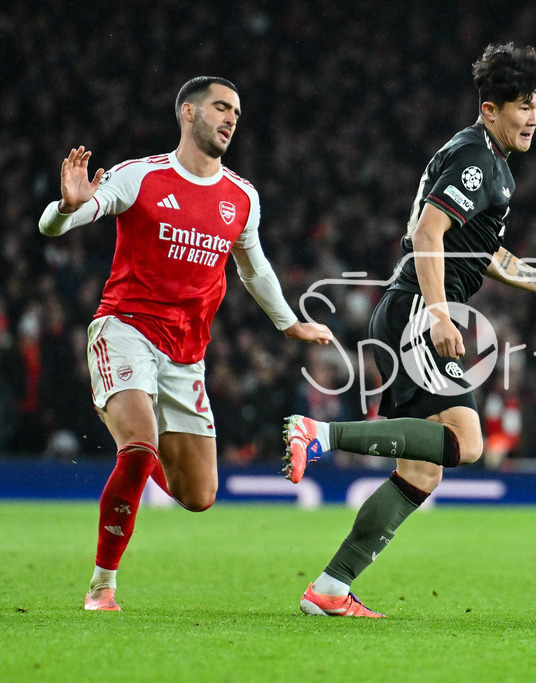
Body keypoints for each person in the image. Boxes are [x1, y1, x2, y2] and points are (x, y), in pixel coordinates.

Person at [283, 43, 536, 617]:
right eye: (522, 106)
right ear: (490, 109)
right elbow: (428, 233)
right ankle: (320, 435)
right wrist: (439, 313)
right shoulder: (476, 160)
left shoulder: (491, 163)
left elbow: (488, 255)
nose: (534, 117)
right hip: (418, 306)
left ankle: (330, 589)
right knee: (467, 442)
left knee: (421, 471)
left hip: (410, 306)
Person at [38, 77, 333, 612]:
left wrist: (290, 324)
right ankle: (102, 585)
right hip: (125, 329)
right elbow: (54, 226)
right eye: (221, 107)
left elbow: (254, 268)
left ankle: (140, 440)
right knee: (138, 448)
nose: (231, 118)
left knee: (198, 495)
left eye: (236, 112)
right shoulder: (141, 176)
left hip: (185, 356)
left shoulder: (242, 196)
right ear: (188, 113)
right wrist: (65, 206)